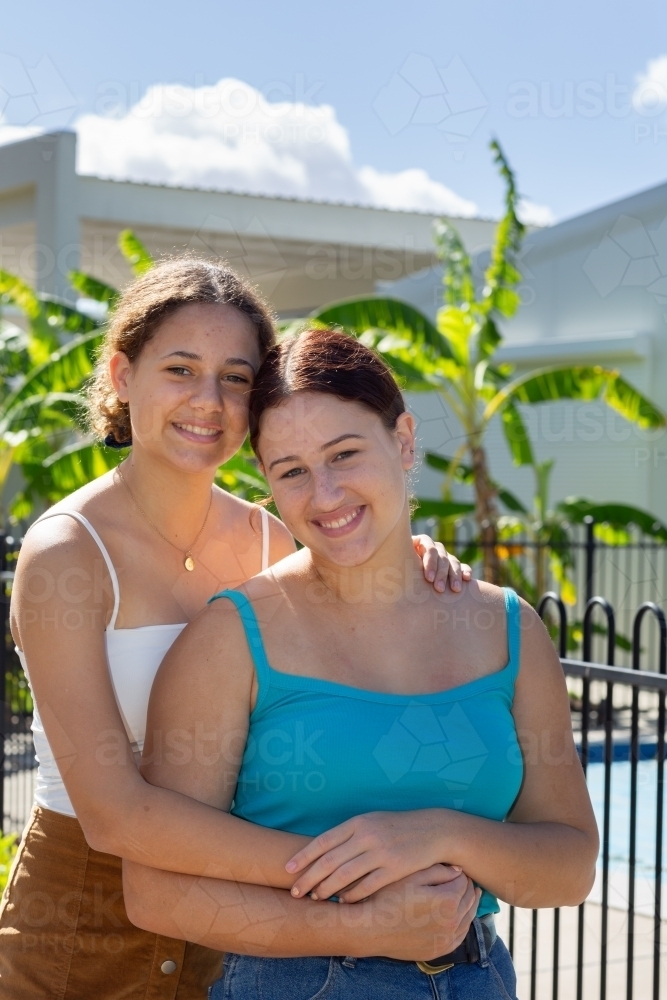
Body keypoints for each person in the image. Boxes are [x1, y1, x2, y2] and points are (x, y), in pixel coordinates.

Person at [1, 260, 469, 999]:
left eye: (236, 377)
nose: (208, 401)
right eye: (180, 369)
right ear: (123, 375)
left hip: (242, 933)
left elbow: (366, 586)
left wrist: (415, 559)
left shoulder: (276, 541)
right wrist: (350, 875)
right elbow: (115, 817)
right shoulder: (66, 552)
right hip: (81, 928)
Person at [122, 328, 599, 999]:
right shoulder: (232, 638)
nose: (324, 496)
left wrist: (435, 834)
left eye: (344, 455)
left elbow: (569, 866)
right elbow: (155, 895)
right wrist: (364, 930)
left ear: (402, 441)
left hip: (476, 976)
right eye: (291, 471)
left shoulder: (506, 626)